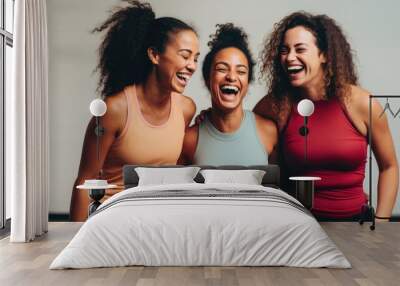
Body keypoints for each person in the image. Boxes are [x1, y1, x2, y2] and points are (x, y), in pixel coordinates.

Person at [253, 12, 398, 220]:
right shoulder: (274, 107)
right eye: (284, 50)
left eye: (300, 49)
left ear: (324, 55)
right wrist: (209, 117)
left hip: (356, 227)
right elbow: (239, 130)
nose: (290, 57)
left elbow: (389, 167)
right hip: (299, 228)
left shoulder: (361, 103)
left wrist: (381, 222)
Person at [70, 0, 200, 221]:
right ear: (155, 55)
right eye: (185, 55)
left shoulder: (186, 108)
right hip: (112, 220)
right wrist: (74, 239)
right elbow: (86, 180)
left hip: (158, 221)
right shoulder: (114, 110)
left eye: (196, 58)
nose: (192, 66)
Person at [180, 23, 277, 165]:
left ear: (247, 82)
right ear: (208, 79)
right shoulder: (188, 140)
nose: (232, 77)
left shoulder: (269, 132)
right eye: (222, 69)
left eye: (241, 71)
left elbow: (279, 185)